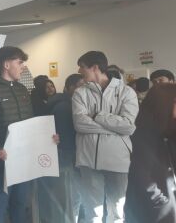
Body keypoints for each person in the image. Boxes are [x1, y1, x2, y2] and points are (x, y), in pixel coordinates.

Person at [72, 51, 139, 223]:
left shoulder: (126, 92)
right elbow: (80, 123)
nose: (79, 71)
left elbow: (128, 126)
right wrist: (115, 128)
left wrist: (98, 116)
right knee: (93, 212)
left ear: (95, 67)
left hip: (118, 161)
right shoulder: (80, 93)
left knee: (117, 211)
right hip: (88, 160)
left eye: (82, 67)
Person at [0, 46, 35, 223]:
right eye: (19, 62)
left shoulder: (23, 90)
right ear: (6, 64)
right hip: (1, 161)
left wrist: (46, 139)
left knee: (20, 203)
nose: (23, 67)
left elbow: (31, 122)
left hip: (23, 159)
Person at [124, 84, 176, 223]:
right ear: (164, 104)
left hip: (166, 201)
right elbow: (140, 173)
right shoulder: (143, 132)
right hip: (154, 207)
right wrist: (160, 200)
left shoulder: (168, 127)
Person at [39, 74, 85, 223]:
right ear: (69, 87)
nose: (83, 89)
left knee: (70, 198)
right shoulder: (64, 107)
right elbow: (66, 140)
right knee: (71, 198)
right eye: (79, 85)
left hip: (66, 158)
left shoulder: (65, 103)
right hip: (67, 159)